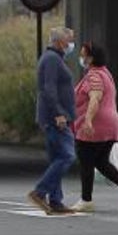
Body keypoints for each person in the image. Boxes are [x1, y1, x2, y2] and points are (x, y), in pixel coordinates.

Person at [70, 41, 118, 213]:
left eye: (84, 55)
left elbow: (95, 97)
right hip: (111, 124)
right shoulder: (106, 73)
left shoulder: (94, 76)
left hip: (96, 124)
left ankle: (86, 200)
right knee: (100, 161)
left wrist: (88, 120)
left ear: (91, 58)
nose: (82, 58)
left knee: (86, 160)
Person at [27, 27, 78, 216]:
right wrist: (58, 113)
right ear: (58, 42)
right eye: (68, 40)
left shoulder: (55, 59)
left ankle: (56, 201)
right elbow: (48, 89)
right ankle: (40, 193)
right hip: (56, 118)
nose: (71, 44)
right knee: (67, 155)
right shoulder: (51, 60)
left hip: (56, 116)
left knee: (57, 158)